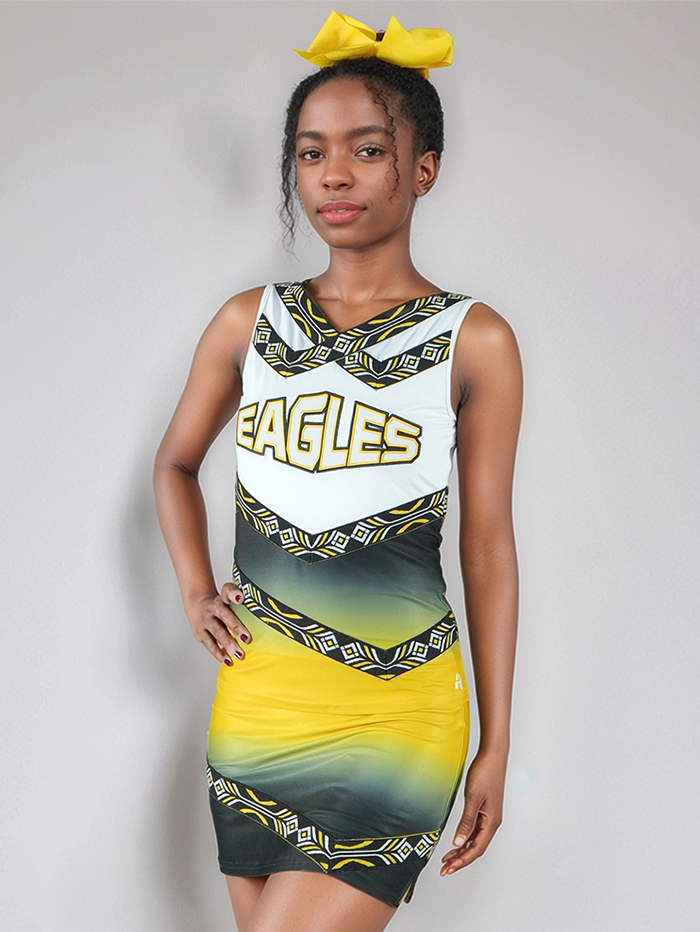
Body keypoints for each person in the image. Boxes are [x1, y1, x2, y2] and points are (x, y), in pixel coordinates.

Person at [154, 12, 523, 932]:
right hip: (258, 705)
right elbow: (175, 463)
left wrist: (496, 741)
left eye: (367, 149)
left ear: (423, 169)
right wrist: (196, 591)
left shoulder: (475, 340)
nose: (334, 175)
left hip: (398, 712)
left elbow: (486, 548)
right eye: (312, 153)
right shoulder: (247, 322)